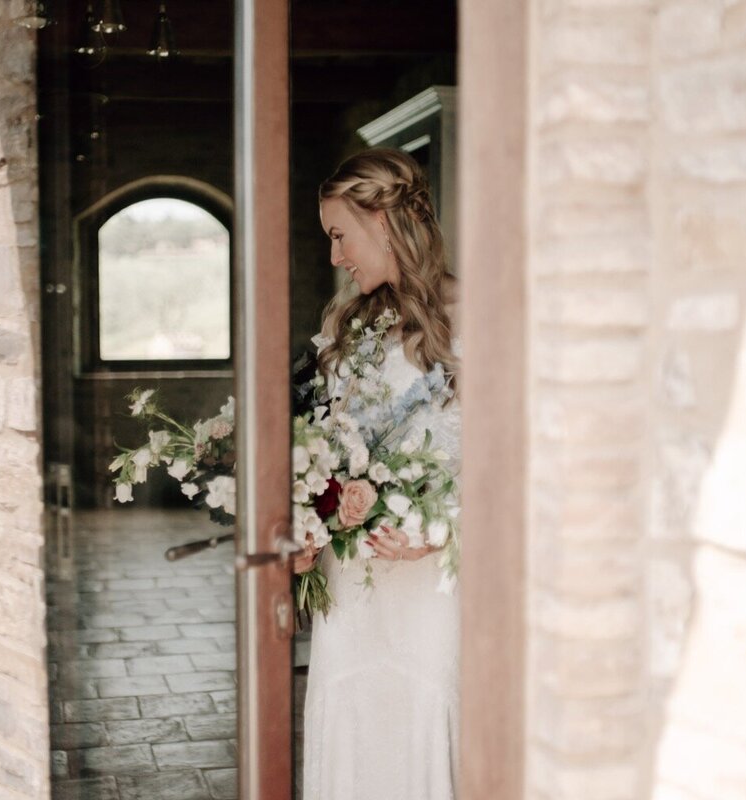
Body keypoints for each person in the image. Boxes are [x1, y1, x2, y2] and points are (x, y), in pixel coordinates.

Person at [294, 147, 461, 799]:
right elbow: (321, 450)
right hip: (354, 599)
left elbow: (512, 464)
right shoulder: (346, 331)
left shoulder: (470, 321)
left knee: (422, 731)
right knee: (352, 738)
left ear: (384, 223)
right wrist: (305, 519)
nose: (335, 256)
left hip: (430, 598)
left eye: (340, 235)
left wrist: (443, 529)